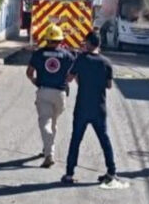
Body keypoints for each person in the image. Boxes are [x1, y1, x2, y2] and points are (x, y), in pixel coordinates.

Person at [61, 33, 118, 185]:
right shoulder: (106, 63)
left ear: (88, 43)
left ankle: (69, 174)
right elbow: (109, 85)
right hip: (99, 107)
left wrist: (82, 78)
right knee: (104, 139)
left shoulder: (81, 59)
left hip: (82, 107)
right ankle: (111, 171)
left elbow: (69, 78)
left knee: (76, 140)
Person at [26, 24, 75, 168]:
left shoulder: (38, 54)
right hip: (60, 94)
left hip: (44, 92)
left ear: (47, 39)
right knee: (53, 122)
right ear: (60, 40)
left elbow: (29, 73)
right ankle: (47, 148)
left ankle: (49, 154)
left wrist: (35, 81)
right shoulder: (67, 55)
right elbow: (72, 75)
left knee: (45, 123)